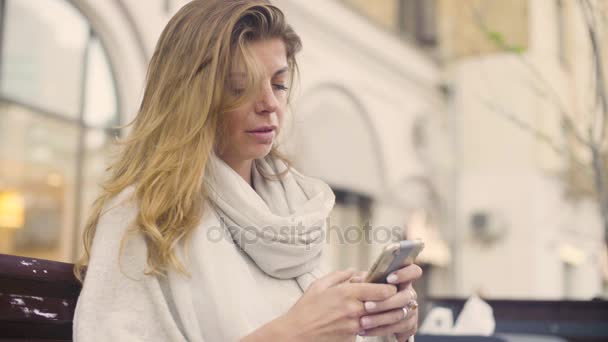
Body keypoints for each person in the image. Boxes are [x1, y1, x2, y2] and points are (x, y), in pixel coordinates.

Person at [72, 1, 422, 341]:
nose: (269, 103)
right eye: (240, 87)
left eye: (279, 84)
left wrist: (385, 324)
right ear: (189, 96)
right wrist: (293, 333)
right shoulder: (140, 214)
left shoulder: (296, 211)